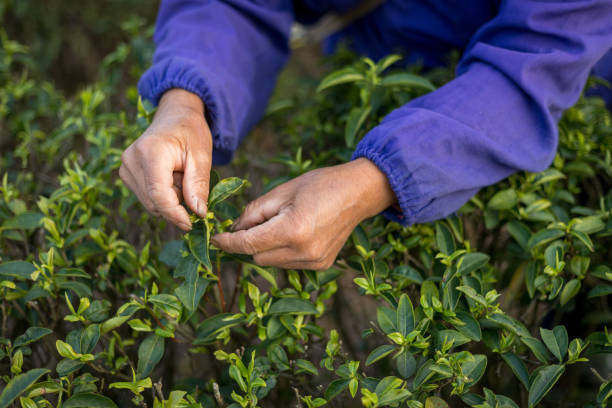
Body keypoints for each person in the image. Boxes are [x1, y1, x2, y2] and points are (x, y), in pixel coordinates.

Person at [120, 0, 612, 270]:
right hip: (373, 77)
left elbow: (534, 63)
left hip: (564, 117)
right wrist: (185, 99)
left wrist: (376, 178)